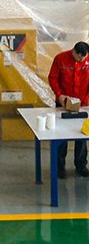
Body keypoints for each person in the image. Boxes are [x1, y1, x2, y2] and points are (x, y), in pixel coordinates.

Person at [48, 40, 89, 177]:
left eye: (84, 58)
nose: (81, 60)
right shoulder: (60, 59)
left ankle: (81, 165)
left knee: (82, 134)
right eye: (79, 57)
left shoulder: (87, 60)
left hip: (83, 104)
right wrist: (59, 95)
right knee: (61, 135)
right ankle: (60, 167)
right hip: (64, 103)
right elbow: (53, 78)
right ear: (74, 52)